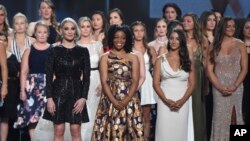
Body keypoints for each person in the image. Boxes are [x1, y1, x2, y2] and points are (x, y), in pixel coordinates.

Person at [92, 24, 144, 140]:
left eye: (123, 38)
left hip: (130, 99)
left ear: (127, 39)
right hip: (110, 99)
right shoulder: (105, 57)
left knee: (130, 130)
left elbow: (135, 80)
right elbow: (104, 82)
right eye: (116, 37)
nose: (119, 40)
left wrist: (126, 100)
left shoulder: (133, 58)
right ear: (111, 38)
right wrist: (113, 101)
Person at [43, 17, 90, 141]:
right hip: (57, 93)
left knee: (75, 131)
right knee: (58, 131)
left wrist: (83, 98)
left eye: (73, 28)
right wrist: (49, 98)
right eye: (66, 29)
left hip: (77, 94)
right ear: (61, 31)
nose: (70, 31)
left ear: (76, 31)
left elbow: (87, 77)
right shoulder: (54, 51)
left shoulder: (83, 51)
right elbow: (48, 76)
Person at [207, 17, 248, 141]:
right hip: (219, 88)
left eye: (233, 26)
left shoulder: (240, 44)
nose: (231, 28)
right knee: (220, 118)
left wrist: (235, 85)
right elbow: (209, 71)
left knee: (236, 116)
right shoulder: (213, 46)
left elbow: (244, 69)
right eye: (228, 26)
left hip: (236, 87)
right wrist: (220, 87)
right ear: (222, 27)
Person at [153, 29, 195, 141]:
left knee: (180, 133)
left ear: (182, 41)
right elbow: (156, 84)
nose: (174, 41)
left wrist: (181, 101)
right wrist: (166, 101)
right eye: (171, 38)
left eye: (177, 39)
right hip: (164, 102)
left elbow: (192, 84)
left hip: (183, 102)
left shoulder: (187, 60)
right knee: (164, 132)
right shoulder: (160, 60)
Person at [13, 22, 50, 140]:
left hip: (48, 86)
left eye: (44, 32)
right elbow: (23, 72)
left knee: (47, 117)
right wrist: (22, 91)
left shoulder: (53, 50)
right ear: (35, 34)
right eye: (39, 32)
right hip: (32, 88)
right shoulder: (29, 51)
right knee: (32, 117)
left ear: (48, 34)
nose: (42, 35)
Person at [77, 16, 103, 141]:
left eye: (88, 26)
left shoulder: (98, 45)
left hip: (96, 80)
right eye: (83, 26)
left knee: (94, 112)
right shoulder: (75, 45)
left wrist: (103, 83)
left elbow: (104, 65)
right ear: (79, 28)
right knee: (81, 112)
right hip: (79, 81)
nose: (85, 29)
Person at [183, 13, 208, 141]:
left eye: (189, 21)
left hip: (198, 78)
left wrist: (206, 84)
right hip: (183, 78)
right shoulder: (179, 39)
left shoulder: (202, 40)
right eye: (184, 21)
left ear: (194, 23)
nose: (185, 23)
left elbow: (206, 64)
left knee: (197, 108)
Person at [131, 21, 157, 140]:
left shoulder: (150, 49)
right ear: (132, 32)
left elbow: (157, 68)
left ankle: (145, 138)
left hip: (146, 83)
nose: (139, 33)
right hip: (132, 81)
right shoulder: (128, 48)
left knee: (146, 115)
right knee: (132, 115)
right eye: (136, 30)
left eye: (141, 30)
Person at [199, 10, 217, 140]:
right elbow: (203, 61)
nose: (212, 23)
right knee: (208, 108)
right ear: (204, 21)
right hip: (206, 77)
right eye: (209, 20)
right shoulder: (201, 38)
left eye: (214, 20)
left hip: (221, 75)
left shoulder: (219, 38)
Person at [0, 32, 19, 141]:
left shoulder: (0, 46)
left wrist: (4, 86)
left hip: (4, 84)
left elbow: (4, 67)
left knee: (4, 116)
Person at [239, 18, 250, 124]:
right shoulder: (236, 46)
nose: (249, 30)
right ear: (242, 30)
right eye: (247, 27)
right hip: (240, 84)